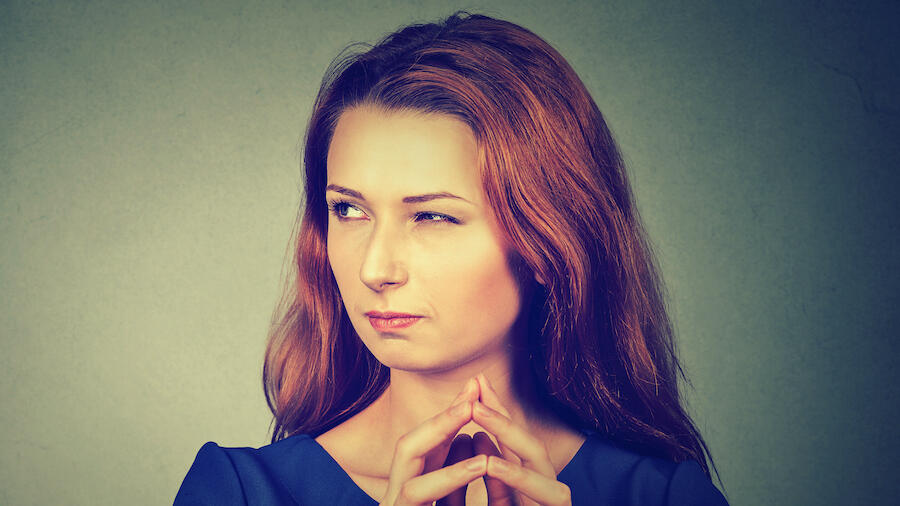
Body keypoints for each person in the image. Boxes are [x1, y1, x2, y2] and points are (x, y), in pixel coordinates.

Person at [175, 12, 729, 506]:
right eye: (348, 210)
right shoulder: (239, 492)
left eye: (432, 217)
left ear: (549, 242)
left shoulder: (665, 497)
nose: (374, 270)